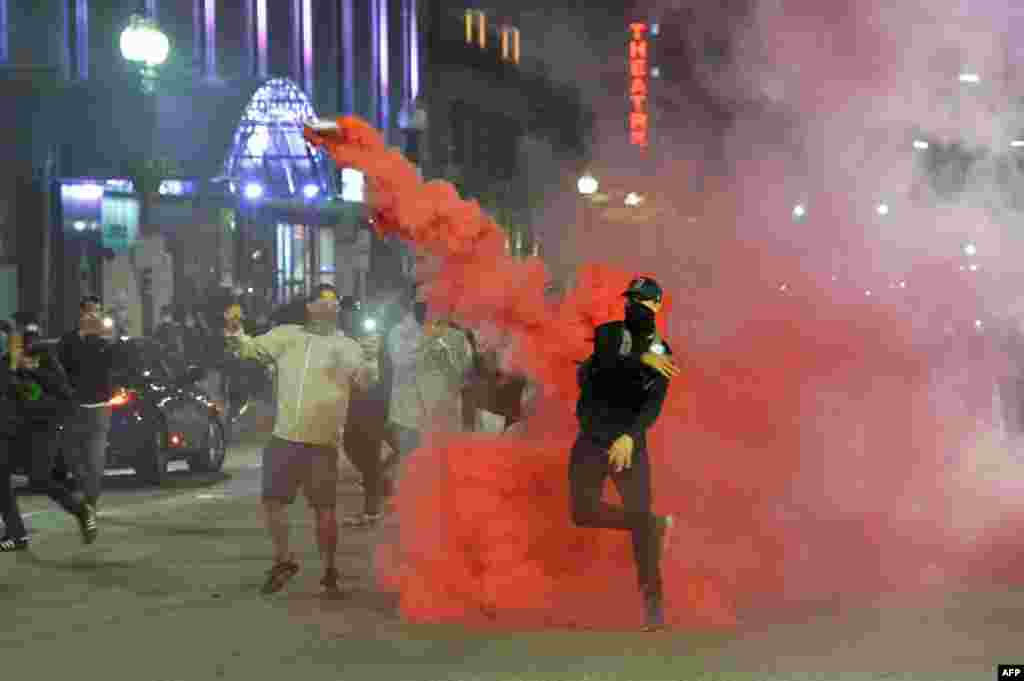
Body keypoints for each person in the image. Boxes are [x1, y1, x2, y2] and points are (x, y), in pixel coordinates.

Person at [224, 284, 379, 595]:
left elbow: (365, 383)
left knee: (324, 508)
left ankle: (330, 570)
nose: (332, 307)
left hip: (323, 440)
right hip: (285, 436)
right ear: (310, 307)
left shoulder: (347, 346)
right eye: (325, 302)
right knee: (273, 501)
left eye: (336, 303)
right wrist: (234, 330)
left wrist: (372, 359)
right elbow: (249, 349)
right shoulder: (287, 335)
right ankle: (285, 559)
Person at [571, 277, 681, 631]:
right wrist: (641, 357)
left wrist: (631, 437)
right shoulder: (609, 333)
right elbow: (605, 362)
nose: (634, 305)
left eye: (643, 300)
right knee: (582, 512)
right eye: (631, 299)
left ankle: (654, 607)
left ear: (658, 305)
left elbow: (654, 403)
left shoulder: (663, 351)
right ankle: (652, 523)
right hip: (591, 438)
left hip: (628, 445)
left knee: (641, 532)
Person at [0, 344, 95, 551]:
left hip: (44, 430)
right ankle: (17, 535)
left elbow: (62, 398)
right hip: (16, 430)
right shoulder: (7, 363)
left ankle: (81, 510)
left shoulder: (45, 363)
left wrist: (30, 372)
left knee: (39, 478)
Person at [383, 282, 475, 469]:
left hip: (444, 420)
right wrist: (427, 336)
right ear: (412, 303)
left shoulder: (456, 337)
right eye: (422, 300)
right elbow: (401, 360)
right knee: (412, 474)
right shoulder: (399, 333)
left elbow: (464, 374)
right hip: (409, 419)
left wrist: (446, 353)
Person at [56, 296, 113, 534]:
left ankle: (89, 504)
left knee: (96, 463)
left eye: (96, 312)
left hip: (99, 409)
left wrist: (105, 339)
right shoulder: (68, 341)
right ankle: (84, 495)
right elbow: (60, 367)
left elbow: (115, 363)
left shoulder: (104, 341)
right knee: (73, 459)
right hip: (74, 408)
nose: (92, 316)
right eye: (88, 312)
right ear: (80, 314)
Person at [339, 296, 393, 528]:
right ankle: (382, 485)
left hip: (375, 405)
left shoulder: (377, 339)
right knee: (352, 446)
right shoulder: (345, 338)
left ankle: (372, 509)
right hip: (354, 404)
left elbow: (386, 371)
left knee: (370, 456)